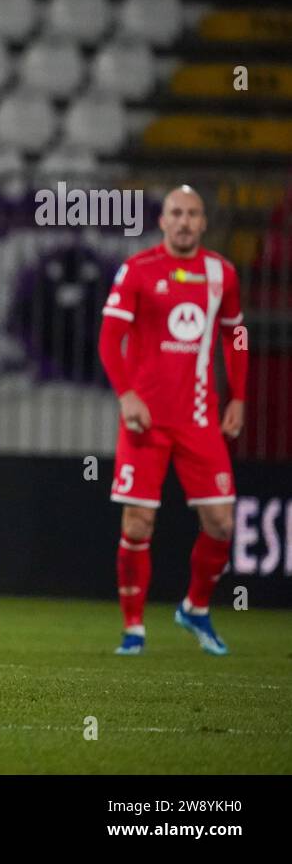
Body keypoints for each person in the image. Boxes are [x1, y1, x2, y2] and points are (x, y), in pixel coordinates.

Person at [99, 185, 247, 656]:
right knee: (139, 523)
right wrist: (126, 396)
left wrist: (238, 397)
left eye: (193, 214)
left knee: (222, 523)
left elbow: (236, 335)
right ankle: (134, 627)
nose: (184, 221)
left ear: (204, 223)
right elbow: (109, 338)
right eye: (176, 213)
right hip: (146, 421)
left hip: (199, 419)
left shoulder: (221, 273)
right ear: (162, 221)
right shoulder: (138, 270)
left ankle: (195, 608)